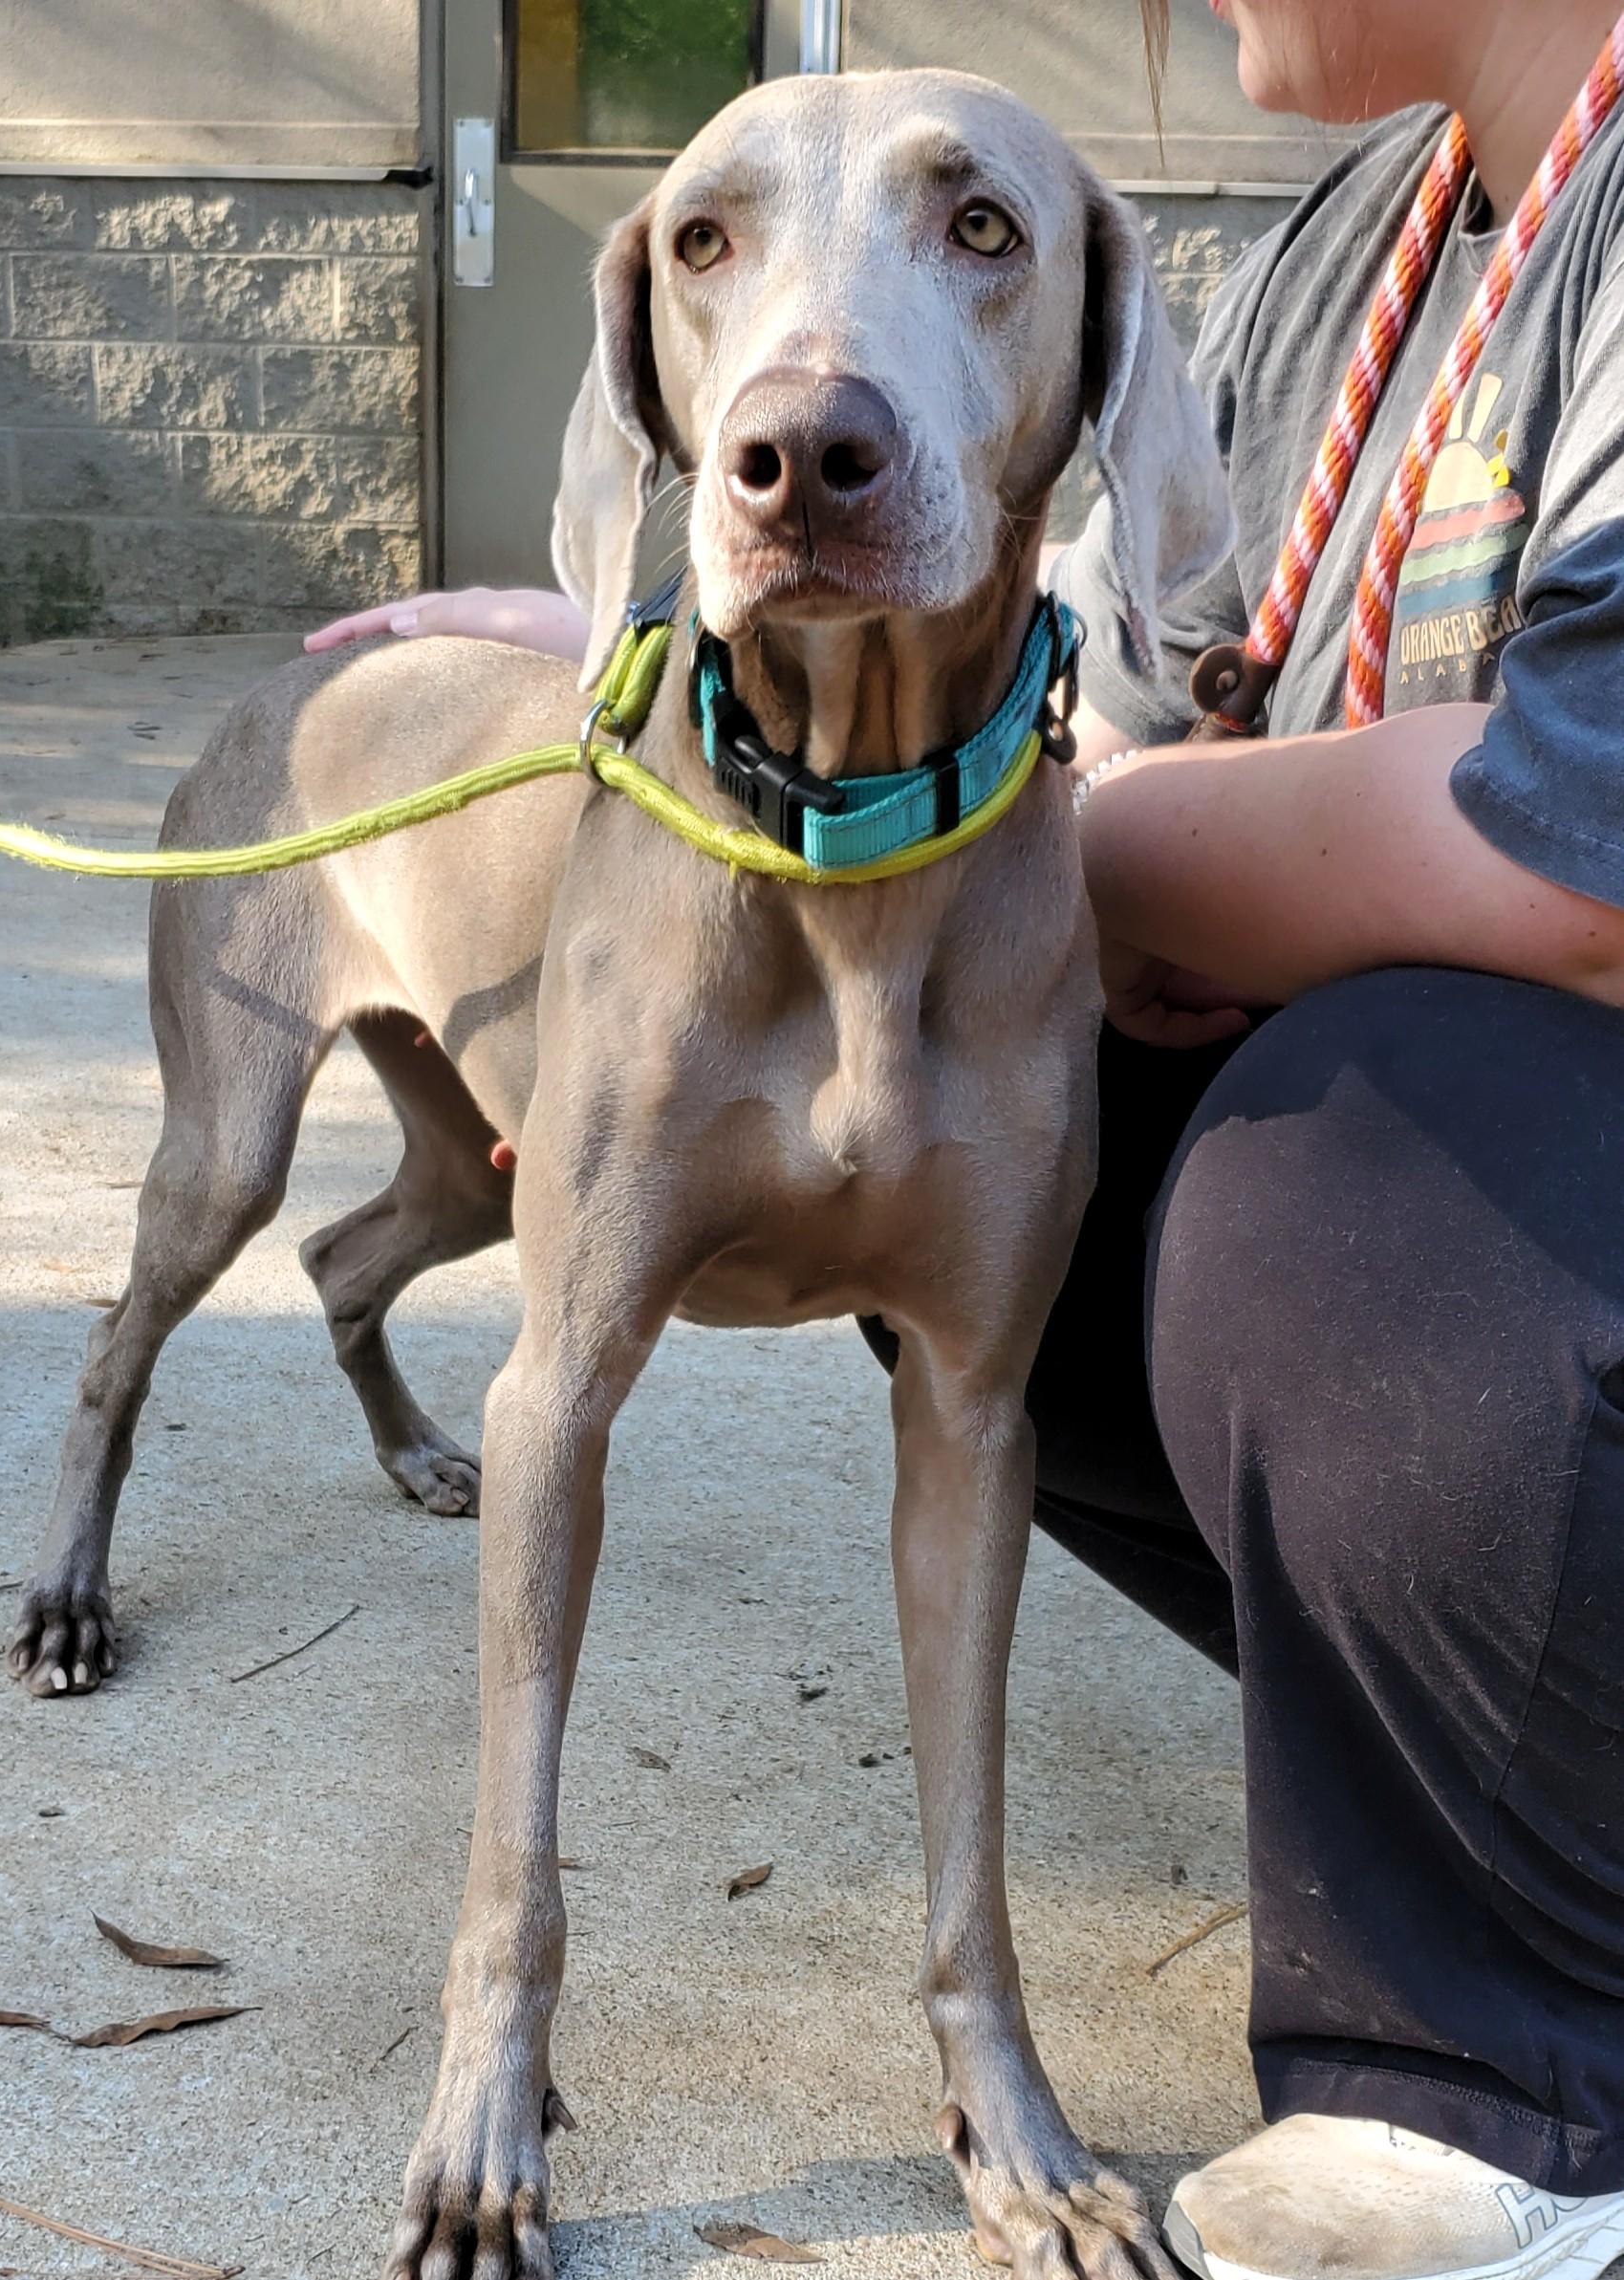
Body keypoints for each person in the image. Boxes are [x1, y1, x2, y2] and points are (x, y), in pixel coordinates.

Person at [307, 5, 1624, 2277]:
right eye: (724, 253)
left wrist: (1080, 843)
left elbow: (1579, 841)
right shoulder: (1363, 243)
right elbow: (1148, 677)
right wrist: (605, 653)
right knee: (1047, 1236)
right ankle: (1494, 1770)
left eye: (979, 236)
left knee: (1311, 1202)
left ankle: (1498, 2081)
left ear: (1083, 328)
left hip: (1536, 1196)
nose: (811, 402)